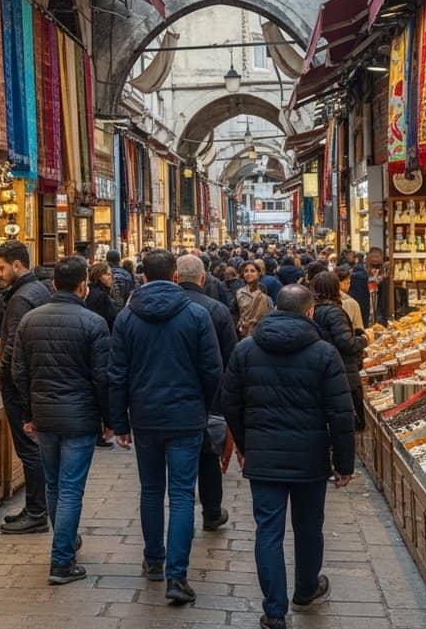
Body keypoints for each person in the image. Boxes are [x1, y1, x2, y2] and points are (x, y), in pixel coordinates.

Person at [220, 285, 356, 629]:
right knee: (309, 527)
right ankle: (306, 588)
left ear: (274, 309)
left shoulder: (247, 349)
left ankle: (275, 611)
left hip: (264, 456)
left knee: (268, 530)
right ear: (309, 313)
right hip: (310, 458)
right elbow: (341, 414)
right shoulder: (324, 354)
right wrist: (344, 464)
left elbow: (230, 403)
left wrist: (246, 445)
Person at [108, 249, 222, 606]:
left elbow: (116, 374)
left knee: (151, 490)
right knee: (184, 494)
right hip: (186, 417)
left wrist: (118, 421)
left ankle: (154, 559)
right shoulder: (196, 314)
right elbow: (212, 370)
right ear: (175, 275)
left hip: (145, 416)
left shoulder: (128, 317)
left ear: (142, 277)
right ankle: (177, 575)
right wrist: (203, 406)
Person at [11, 257, 110, 584]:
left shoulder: (29, 321)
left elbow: (19, 372)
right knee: (70, 489)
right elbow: (101, 377)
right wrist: (109, 418)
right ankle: (62, 561)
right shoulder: (93, 323)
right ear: (83, 285)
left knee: (54, 484)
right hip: (79, 418)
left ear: (54, 284)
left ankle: (64, 541)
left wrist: (28, 413)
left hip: (45, 417)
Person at [0, 240, 52, 534]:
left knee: (29, 449)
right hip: (35, 379)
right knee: (34, 448)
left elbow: (14, 345)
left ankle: (37, 511)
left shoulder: (20, 298)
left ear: (17, 265)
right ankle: (34, 506)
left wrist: (3, 374)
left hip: (19, 386)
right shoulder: (38, 290)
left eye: (2, 268)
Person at [176, 255, 237, 532]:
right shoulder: (217, 310)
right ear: (203, 278)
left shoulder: (164, 307)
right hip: (208, 399)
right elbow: (230, 359)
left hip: (169, 398)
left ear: (176, 278)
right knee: (208, 455)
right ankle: (211, 510)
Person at [311, 271, 368, 432]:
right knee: (346, 421)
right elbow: (346, 343)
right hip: (343, 370)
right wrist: (364, 340)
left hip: (327, 368)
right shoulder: (334, 311)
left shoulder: (314, 309)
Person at [236, 261, 273, 337]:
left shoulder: (264, 293)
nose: (249, 274)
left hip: (261, 333)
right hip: (243, 333)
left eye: (252, 271)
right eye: (246, 271)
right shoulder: (239, 293)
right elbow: (235, 313)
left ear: (259, 273)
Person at [84, 262, 120, 330]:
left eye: (111, 274)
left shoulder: (90, 291)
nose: (111, 277)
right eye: (107, 274)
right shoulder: (101, 296)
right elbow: (110, 319)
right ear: (99, 276)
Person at [335, 266, 365, 331]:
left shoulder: (321, 301)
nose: (349, 284)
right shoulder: (351, 303)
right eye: (348, 282)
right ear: (340, 283)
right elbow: (359, 329)